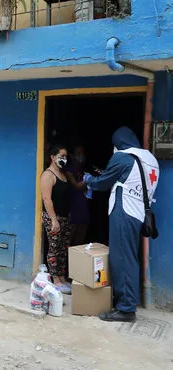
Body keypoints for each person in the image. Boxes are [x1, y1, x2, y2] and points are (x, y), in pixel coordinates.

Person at [84, 127, 160, 323]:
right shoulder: (149, 158)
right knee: (130, 258)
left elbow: (102, 183)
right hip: (138, 214)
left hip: (123, 212)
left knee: (122, 259)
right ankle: (127, 301)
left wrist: (89, 179)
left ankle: (126, 308)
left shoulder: (122, 157)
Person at [40, 144, 72, 294]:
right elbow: (47, 199)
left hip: (64, 217)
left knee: (62, 249)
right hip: (53, 218)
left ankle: (62, 277)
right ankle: (55, 280)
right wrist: (54, 220)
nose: (64, 159)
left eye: (65, 156)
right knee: (54, 248)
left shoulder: (63, 174)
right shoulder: (48, 175)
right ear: (52, 157)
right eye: (61, 156)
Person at [64, 145, 90, 247]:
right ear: (72, 155)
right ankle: (67, 262)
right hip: (72, 210)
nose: (80, 156)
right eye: (78, 153)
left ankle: (76, 261)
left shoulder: (83, 170)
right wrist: (90, 180)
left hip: (83, 209)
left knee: (80, 241)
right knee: (68, 240)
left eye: (82, 153)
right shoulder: (68, 170)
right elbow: (76, 186)